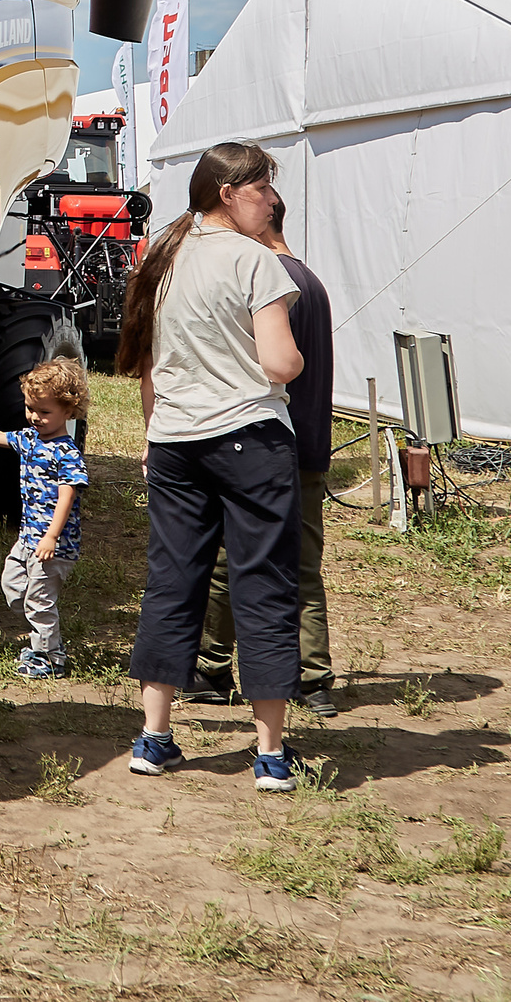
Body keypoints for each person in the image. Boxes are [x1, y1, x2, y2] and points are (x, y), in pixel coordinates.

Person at [113, 141, 307, 793]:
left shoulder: (162, 255)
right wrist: (295, 360)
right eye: (263, 188)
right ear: (228, 193)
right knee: (264, 584)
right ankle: (271, 755)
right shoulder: (255, 260)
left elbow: (147, 365)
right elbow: (280, 364)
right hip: (250, 439)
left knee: (171, 583)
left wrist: (153, 435)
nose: (271, 201)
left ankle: (153, 738)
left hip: (174, 441)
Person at [189, 190, 337, 717]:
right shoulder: (310, 280)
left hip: (265, 443)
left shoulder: (269, 279)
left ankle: (210, 667)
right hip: (311, 444)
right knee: (303, 565)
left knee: (229, 561)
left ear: (263, 218)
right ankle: (313, 679)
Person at [0, 356, 91, 678]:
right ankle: (47, 637)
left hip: (54, 545)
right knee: (13, 586)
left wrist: (51, 537)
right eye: (30, 408)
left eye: (44, 412)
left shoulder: (67, 453)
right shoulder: (29, 439)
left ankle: (49, 658)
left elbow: (67, 495)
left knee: (39, 601)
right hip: (27, 538)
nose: (35, 417)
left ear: (69, 411)